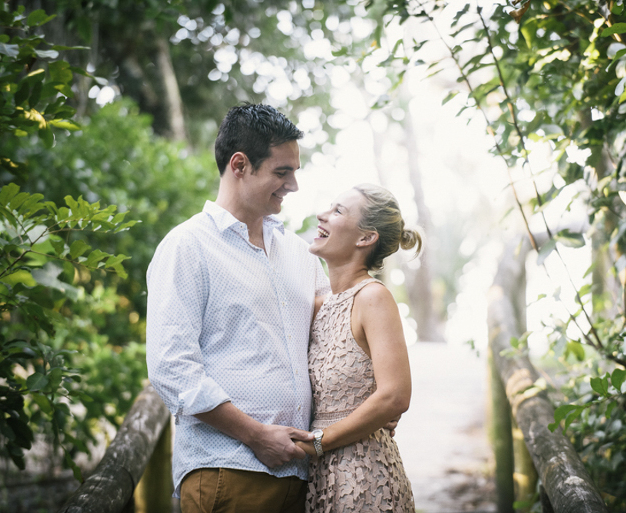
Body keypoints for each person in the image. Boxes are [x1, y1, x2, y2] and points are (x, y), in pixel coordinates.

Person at [146, 103, 331, 513]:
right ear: (240, 165)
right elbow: (172, 367)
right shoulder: (187, 247)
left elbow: (332, 336)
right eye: (282, 172)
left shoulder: (302, 255)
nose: (294, 185)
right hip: (228, 473)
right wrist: (256, 436)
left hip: (303, 478)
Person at [296, 183, 421, 512]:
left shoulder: (372, 298)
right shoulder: (318, 306)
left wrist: (320, 442)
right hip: (316, 479)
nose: (322, 215)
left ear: (366, 238)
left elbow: (395, 395)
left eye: (338, 211)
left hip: (365, 478)